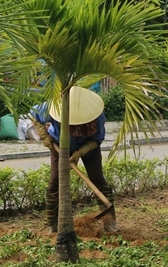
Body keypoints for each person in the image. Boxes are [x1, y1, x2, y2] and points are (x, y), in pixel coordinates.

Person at [31, 86, 118, 233]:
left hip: (89, 148)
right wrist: (45, 137)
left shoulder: (97, 115)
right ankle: (52, 225)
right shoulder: (53, 106)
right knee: (54, 183)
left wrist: (80, 152)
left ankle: (110, 223)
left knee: (97, 179)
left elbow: (97, 139)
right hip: (60, 146)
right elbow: (33, 114)